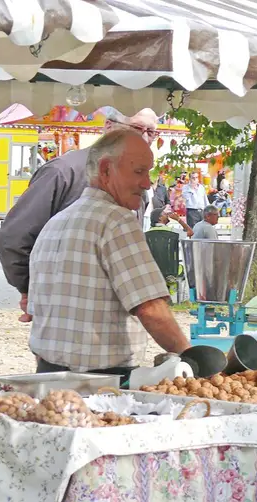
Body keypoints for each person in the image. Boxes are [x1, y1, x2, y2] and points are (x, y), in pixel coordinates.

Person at [27, 129, 190, 376]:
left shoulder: (57, 221)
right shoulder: (118, 220)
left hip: (47, 373)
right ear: (105, 170)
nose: (147, 183)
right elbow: (151, 309)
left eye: (148, 172)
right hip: (102, 380)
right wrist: (194, 359)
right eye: (138, 172)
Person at [0, 108, 160, 323]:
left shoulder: (139, 183)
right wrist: (30, 288)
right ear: (108, 127)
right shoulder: (63, 172)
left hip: (115, 318)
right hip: (68, 313)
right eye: (138, 128)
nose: (145, 138)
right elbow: (13, 238)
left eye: (152, 132)